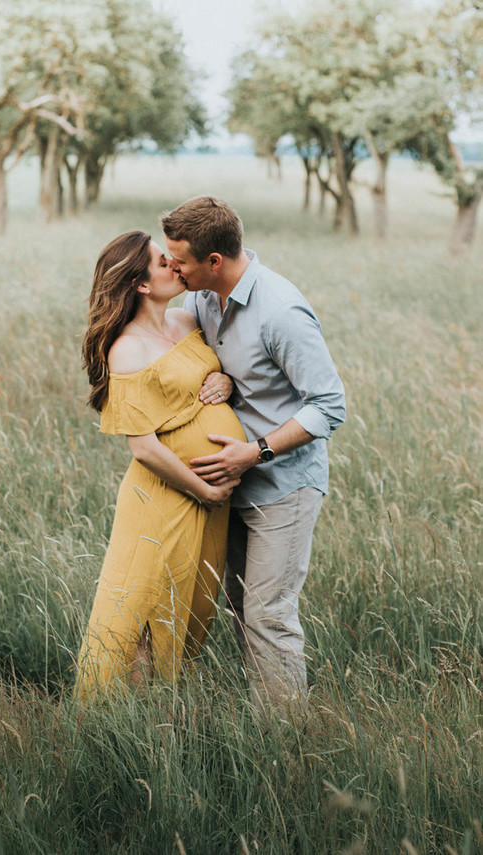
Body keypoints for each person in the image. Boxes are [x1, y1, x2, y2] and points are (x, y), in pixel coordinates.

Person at [161, 197, 346, 708]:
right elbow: (201, 360)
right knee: (242, 607)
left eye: (180, 259)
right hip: (229, 486)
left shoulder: (281, 311)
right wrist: (218, 372)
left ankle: (286, 746)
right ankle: (268, 720)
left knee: (269, 614)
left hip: (283, 484)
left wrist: (256, 451)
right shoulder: (199, 299)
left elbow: (329, 406)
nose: (172, 267)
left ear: (214, 261)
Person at [75, 230, 246, 698]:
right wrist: (204, 488)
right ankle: (127, 722)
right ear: (141, 285)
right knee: (143, 609)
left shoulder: (188, 320)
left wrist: (224, 382)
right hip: (165, 497)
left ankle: (166, 709)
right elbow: (144, 448)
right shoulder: (127, 349)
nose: (175, 263)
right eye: (161, 261)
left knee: (191, 604)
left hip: (205, 500)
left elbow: (211, 373)